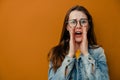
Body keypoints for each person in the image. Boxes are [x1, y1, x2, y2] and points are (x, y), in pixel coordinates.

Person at [48, 5, 109, 80]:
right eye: (73, 22)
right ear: (67, 27)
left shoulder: (98, 52)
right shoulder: (55, 53)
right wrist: (70, 55)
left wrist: (86, 54)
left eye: (83, 21)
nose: (78, 26)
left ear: (89, 26)